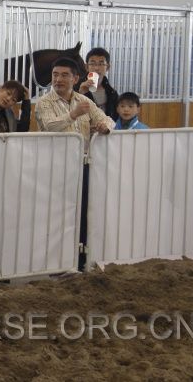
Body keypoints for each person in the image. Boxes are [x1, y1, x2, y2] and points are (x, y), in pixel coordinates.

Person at [36, 57, 114, 271]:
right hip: (55, 167)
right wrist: (74, 114)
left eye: (64, 75)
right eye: (55, 75)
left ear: (75, 78)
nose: (58, 79)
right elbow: (50, 126)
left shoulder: (84, 101)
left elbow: (108, 119)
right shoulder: (44, 102)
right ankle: (56, 264)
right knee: (58, 216)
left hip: (83, 165)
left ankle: (80, 262)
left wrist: (103, 126)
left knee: (84, 213)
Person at [77, 47, 119, 120]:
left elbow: (116, 117)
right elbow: (69, 112)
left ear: (108, 67)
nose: (96, 68)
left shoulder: (112, 93)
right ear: (86, 67)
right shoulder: (76, 86)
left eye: (101, 64)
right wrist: (80, 93)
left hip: (106, 129)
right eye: (92, 64)